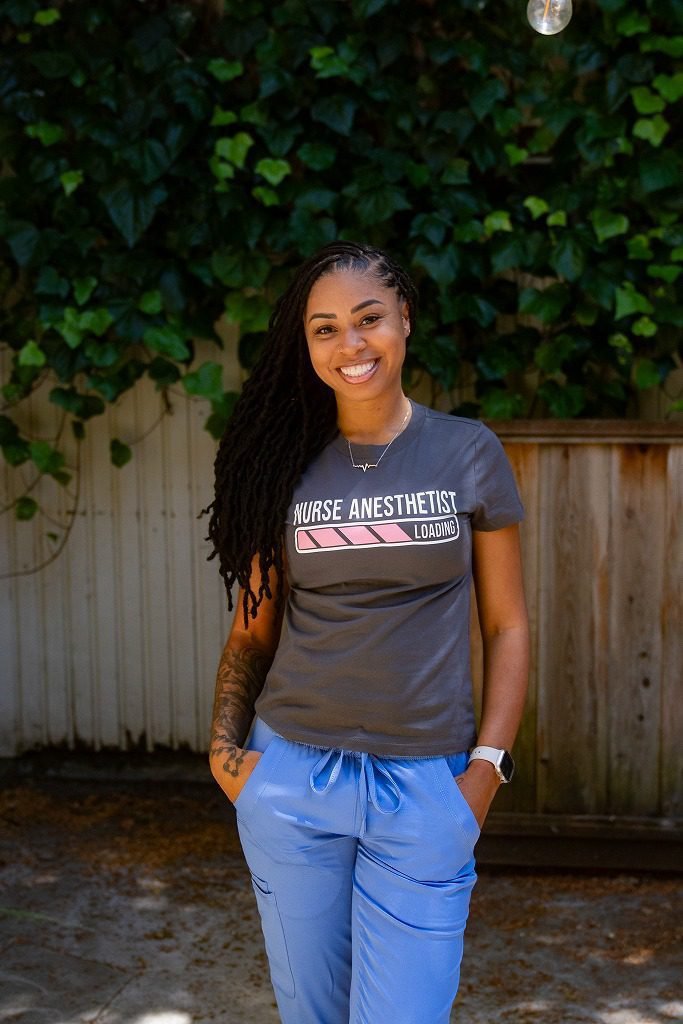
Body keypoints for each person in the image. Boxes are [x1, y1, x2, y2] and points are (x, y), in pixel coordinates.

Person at [206, 241, 529, 1024]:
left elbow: (507, 624)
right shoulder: (280, 463)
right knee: (311, 1014)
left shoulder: (467, 451)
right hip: (292, 776)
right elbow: (251, 632)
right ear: (305, 343)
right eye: (324, 329)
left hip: (425, 784)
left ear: (404, 319)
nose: (349, 344)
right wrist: (225, 756)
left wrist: (485, 771)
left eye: (368, 318)